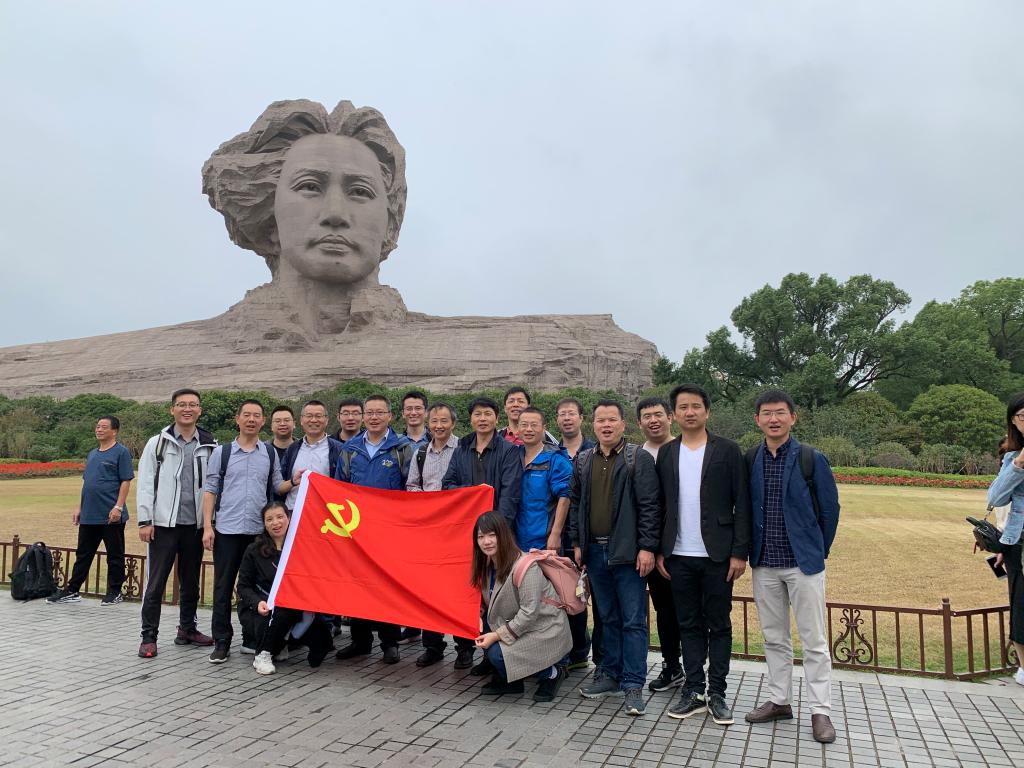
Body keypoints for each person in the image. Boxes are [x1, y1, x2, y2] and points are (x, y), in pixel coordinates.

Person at [743, 389, 841, 744]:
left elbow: (830, 511)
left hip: (803, 564)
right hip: (765, 562)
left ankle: (820, 711)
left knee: (814, 640)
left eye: (780, 412)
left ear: (792, 417)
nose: (774, 419)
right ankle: (779, 700)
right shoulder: (751, 458)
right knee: (774, 637)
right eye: (767, 413)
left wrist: (817, 550)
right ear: (757, 420)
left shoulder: (811, 459)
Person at [654, 384, 750, 726]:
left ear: (707, 411)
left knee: (719, 624)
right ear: (674, 414)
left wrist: (739, 553)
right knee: (688, 624)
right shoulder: (667, 452)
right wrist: (661, 550)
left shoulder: (727, 450)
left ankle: (718, 692)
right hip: (678, 554)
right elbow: (662, 505)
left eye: (696, 406)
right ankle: (693, 690)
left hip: (718, 556)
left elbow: (742, 504)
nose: (690, 412)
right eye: (683, 407)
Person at [569, 400, 660, 717]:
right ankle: (609, 673)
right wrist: (577, 543)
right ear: (593, 425)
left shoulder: (638, 458)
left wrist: (647, 547)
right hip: (594, 552)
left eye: (612, 420)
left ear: (623, 424)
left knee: (633, 621)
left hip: (629, 554)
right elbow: (576, 503)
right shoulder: (583, 460)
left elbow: (650, 506)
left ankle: (633, 684)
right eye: (600, 420)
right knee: (606, 617)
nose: (606, 425)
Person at [135, 389, 218, 658]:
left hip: (194, 525)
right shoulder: (157, 443)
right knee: (156, 582)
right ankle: (148, 636)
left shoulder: (210, 444)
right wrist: (145, 520)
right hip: (163, 525)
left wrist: (210, 523)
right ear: (172, 409)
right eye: (182, 404)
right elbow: (146, 483)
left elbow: (214, 485)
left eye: (193, 404)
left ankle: (187, 629)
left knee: (191, 581)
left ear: (200, 410)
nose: (187, 409)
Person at [202, 399, 284, 663]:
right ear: (237, 419)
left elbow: (277, 486)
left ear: (263, 421)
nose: (251, 420)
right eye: (246, 415)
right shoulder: (222, 453)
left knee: (258, 587)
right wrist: (207, 526)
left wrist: (297, 481)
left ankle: (252, 638)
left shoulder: (269, 453)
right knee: (223, 586)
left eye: (256, 415)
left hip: (259, 533)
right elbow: (210, 490)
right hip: (228, 529)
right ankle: (222, 641)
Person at [333, 394, 412, 664]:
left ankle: (390, 642)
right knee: (357, 585)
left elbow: (410, 488)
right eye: (370, 413)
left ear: (390, 416)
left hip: (389, 531)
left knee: (386, 586)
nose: (374, 417)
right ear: (363, 416)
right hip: (356, 531)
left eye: (380, 412)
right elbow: (339, 489)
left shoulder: (401, 448)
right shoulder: (350, 449)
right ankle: (360, 640)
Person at [471, 511, 571, 702]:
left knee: (496, 653)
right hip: (521, 625)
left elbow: (529, 613)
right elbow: (489, 600)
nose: (486, 542)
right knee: (483, 632)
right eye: (481, 537)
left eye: (492, 535)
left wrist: (496, 635)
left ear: (503, 535)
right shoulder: (486, 566)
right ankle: (512, 680)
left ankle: (552, 672)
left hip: (544, 628)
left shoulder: (526, 566)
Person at [406, 402, 475, 668]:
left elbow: (467, 486)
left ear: (453, 423)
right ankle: (433, 646)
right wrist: (428, 502)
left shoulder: (464, 450)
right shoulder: (421, 452)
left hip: (457, 529)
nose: (438, 426)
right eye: (434, 421)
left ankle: (464, 647)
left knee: (460, 589)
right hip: (429, 530)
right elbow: (412, 485)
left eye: (444, 421)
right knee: (429, 589)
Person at [47, 416, 134, 606]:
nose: (99, 430)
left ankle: (115, 592)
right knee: (83, 554)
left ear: (114, 431)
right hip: (89, 514)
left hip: (111, 514)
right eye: (97, 426)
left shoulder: (121, 452)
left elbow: (126, 481)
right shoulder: (92, 454)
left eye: (104, 427)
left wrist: (118, 507)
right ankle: (72, 590)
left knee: (115, 555)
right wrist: (80, 507)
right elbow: (87, 483)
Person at [240, 502, 334, 675]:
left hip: (296, 606)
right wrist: (257, 602)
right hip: (263, 609)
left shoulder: (300, 547)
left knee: (323, 640)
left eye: (280, 517)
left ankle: (281, 643)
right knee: (280, 611)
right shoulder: (254, 550)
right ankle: (263, 654)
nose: (276, 523)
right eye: (269, 519)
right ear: (264, 524)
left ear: (288, 518)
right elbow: (243, 587)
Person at [636, 397, 684, 694]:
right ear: (638, 422)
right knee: (663, 610)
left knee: (687, 611)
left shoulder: (684, 450)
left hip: (680, 547)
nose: (653, 420)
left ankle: (694, 669)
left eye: (658, 414)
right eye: (647, 416)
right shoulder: (635, 455)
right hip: (645, 548)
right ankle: (671, 665)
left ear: (670, 417)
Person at [556, 396, 600, 670]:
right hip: (558, 536)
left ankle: (584, 653)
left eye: (571, 413)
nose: (567, 418)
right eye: (562, 414)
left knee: (586, 595)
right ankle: (567, 651)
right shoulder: (552, 452)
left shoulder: (595, 450)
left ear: (582, 418)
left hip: (588, 536)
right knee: (562, 595)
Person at [443, 397, 523, 524]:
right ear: (471, 420)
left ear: (497, 419)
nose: (482, 419)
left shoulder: (509, 451)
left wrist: (499, 527)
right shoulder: (460, 451)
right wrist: (475, 490)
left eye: (488, 414)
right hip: (465, 522)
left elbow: (510, 495)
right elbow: (447, 486)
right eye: (477, 414)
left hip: (497, 524)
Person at [991, 394, 1024, 685]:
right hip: (1019, 544)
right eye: (1023, 416)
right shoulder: (1013, 458)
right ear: (1014, 421)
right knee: (1020, 606)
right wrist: (1018, 464)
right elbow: (996, 498)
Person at [516, 407, 572, 553]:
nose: (529, 429)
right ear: (518, 428)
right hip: (515, 540)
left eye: (534, 425)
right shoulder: (513, 456)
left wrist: (555, 534)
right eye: (524, 425)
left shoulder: (556, 459)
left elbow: (565, 496)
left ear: (543, 428)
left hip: (545, 542)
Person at [278, 401, 344, 510]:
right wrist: (293, 482)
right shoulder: (292, 449)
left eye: (318, 416)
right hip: (294, 511)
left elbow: (344, 485)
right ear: (301, 420)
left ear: (326, 420)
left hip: (324, 512)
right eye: (309, 416)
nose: (313, 420)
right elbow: (279, 487)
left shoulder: (339, 449)